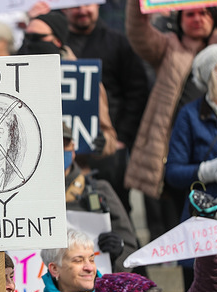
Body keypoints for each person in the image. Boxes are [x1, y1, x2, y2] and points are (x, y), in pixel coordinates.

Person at [124, 0, 217, 202]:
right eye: (190, 14)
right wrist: (137, 3)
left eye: (204, 13)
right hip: (174, 147)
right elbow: (138, 32)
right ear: (179, 19)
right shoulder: (168, 46)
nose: (197, 18)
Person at [58, 3, 150, 215]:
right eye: (75, 5)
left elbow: (136, 92)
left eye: (87, 4)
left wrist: (121, 138)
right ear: (64, 9)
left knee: (114, 210)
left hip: (109, 147)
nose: (82, 10)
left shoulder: (117, 42)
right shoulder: (58, 45)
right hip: (67, 151)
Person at [165, 44, 217, 289]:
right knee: (204, 287)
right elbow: (173, 173)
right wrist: (208, 170)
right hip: (205, 221)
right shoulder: (190, 115)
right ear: (209, 75)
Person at [19, 10, 117, 157]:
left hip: (74, 170)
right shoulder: (15, 77)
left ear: (57, 41)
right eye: (27, 37)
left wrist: (102, 142)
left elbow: (109, 137)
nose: (31, 43)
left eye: (38, 37)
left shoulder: (85, 79)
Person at [40, 228, 217, 292]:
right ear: (54, 269)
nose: (89, 267)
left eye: (91, 259)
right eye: (78, 260)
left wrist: (210, 250)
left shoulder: (121, 289)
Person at [63, 123, 138, 273]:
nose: (57, 152)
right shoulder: (25, 198)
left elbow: (130, 247)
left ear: (73, 148)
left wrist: (117, 252)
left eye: (63, 145)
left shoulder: (99, 190)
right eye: (51, 146)